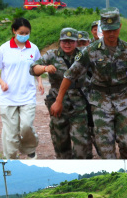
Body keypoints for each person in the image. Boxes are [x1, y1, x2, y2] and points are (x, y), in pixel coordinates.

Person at [52, 8, 127, 159]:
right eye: (107, 30)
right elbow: (70, 75)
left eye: (114, 29)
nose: (111, 34)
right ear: (102, 29)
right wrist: (58, 100)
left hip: (124, 101)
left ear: (120, 26)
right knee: (105, 148)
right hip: (100, 102)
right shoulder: (91, 50)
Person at [30, 28, 93, 159]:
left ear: (77, 42)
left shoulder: (83, 54)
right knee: (61, 141)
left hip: (80, 103)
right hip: (58, 103)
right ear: (60, 42)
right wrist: (44, 68)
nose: (67, 44)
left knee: (82, 142)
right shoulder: (52, 55)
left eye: (71, 41)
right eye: (64, 41)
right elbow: (33, 68)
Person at [0, 17, 43, 159]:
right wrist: (1, 82)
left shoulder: (34, 48)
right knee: (10, 133)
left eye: (27, 33)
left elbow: (37, 68)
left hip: (27, 95)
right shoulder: (4, 48)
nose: (24, 35)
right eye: (21, 32)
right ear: (14, 31)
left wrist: (40, 82)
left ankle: (29, 148)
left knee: (26, 126)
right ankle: (11, 159)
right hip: (8, 97)